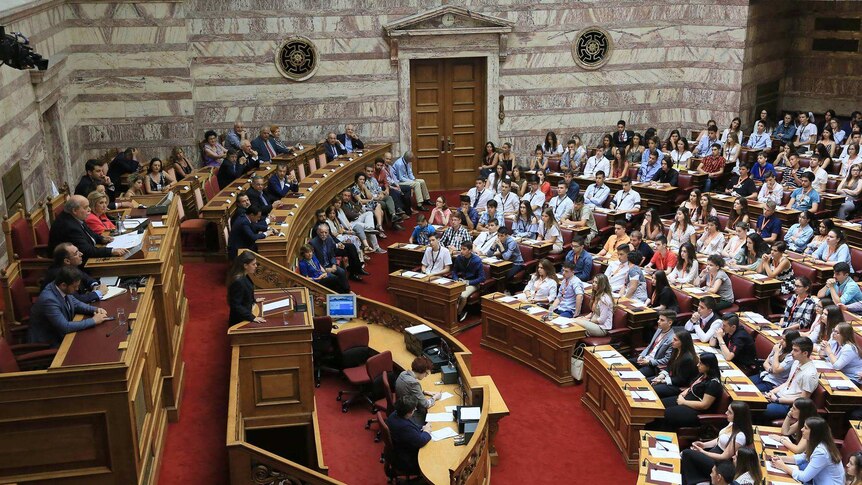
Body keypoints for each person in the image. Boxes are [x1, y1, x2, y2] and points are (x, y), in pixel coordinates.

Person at [27, 266, 110, 347]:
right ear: (63, 285)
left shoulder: (60, 287)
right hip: (49, 341)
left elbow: (76, 303)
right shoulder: (49, 300)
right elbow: (65, 327)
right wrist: (93, 320)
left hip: (61, 334)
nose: (77, 289)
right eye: (75, 287)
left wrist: (95, 309)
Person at [681, 401, 753, 485]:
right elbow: (719, 439)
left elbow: (724, 457)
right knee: (687, 456)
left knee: (686, 453)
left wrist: (702, 452)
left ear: (737, 416)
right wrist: (704, 445)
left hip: (720, 463)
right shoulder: (731, 423)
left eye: (730, 412)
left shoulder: (740, 436)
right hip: (713, 453)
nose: (726, 413)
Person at [652, 352, 722, 430]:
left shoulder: (714, 383)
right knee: (658, 406)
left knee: (665, 414)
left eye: (701, 363)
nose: (697, 365)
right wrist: (682, 394)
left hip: (695, 410)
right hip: (686, 399)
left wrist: (684, 402)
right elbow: (692, 386)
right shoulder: (703, 374)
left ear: (708, 366)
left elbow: (704, 405)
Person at [48, 195, 128, 262]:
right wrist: (111, 251)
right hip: (75, 265)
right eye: (86, 207)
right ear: (75, 210)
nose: (89, 209)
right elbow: (86, 251)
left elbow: (89, 232)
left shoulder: (74, 216)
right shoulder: (69, 227)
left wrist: (101, 238)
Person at [769, 417, 844, 484]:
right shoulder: (817, 442)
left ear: (814, 432)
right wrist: (781, 458)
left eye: (806, 428)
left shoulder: (821, 452)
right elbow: (803, 457)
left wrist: (782, 466)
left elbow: (804, 477)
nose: (802, 429)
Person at [762, 337, 818, 422]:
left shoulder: (810, 374)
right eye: (792, 349)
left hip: (788, 405)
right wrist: (771, 392)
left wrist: (777, 400)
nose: (791, 353)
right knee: (752, 402)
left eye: (795, 350)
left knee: (758, 410)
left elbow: (803, 400)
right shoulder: (796, 362)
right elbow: (787, 383)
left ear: (805, 353)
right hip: (779, 396)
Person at [385, 396, 432, 475]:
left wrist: (422, 427)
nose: (415, 410)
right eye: (414, 409)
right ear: (408, 412)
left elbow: (412, 426)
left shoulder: (395, 414)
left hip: (400, 448)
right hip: (407, 459)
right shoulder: (404, 427)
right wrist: (427, 431)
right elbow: (420, 441)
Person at [650, 328, 699, 398]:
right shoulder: (675, 349)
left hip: (679, 385)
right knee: (647, 382)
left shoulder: (687, 358)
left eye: (675, 340)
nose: (672, 341)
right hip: (671, 378)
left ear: (683, 342)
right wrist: (660, 377)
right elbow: (669, 366)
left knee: (653, 389)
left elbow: (681, 380)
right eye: (673, 339)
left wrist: (662, 381)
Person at [395, 356, 441, 425]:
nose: (425, 376)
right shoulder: (414, 383)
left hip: (402, 409)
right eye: (426, 373)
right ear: (422, 371)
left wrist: (424, 392)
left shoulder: (403, 374)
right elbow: (426, 404)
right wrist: (435, 397)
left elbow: (409, 391)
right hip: (411, 416)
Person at [226, 252, 267, 325]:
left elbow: (245, 293)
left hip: (247, 309)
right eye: (253, 264)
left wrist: (253, 300)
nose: (256, 266)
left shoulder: (245, 275)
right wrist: (252, 317)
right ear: (245, 265)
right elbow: (235, 305)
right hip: (240, 320)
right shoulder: (238, 282)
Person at [633, 310, 676, 377]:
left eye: (662, 320)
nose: (658, 321)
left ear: (670, 323)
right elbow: (650, 345)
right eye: (659, 319)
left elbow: (666, 360)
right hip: (645, 358)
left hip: (654, 365)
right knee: (625, 364)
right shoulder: (659, 330)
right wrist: (641, 355)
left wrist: (649, 362)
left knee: (635, 376)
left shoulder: (672, 339)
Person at [451, 242, 484, 321]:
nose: (461, 251)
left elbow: (482, 278)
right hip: (461, 281)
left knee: (462, 295)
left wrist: (468, 282)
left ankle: (458, 314)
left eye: (464, 249)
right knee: (451, 292)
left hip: (473, 283)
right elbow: (454, 271)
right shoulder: (459, 258)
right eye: (461, 249)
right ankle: (451, 312)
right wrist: (456, 279)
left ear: (470, 250)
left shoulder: (477, 260)